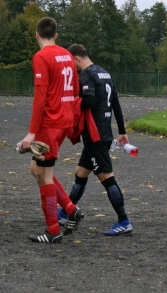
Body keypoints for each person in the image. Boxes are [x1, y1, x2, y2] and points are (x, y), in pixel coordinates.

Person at [19, 17, 84, 243]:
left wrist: (31, 133)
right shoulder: (67, 55)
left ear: (36, 34)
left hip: (50, 122)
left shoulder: (41, 57)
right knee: (37, 170)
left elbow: (41, 97)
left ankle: (53, 231)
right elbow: (76, 89)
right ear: (55, 35)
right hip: (64, 121)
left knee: (44, 175)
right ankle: (70, 209)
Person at [58, 43, 132, 236]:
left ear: (75, 58)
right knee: (81, 172)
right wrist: (122, 131)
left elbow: (89, 100)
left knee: (105, 176)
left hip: (95, 135)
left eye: (70, 62)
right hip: (103, 132)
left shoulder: (86, 75)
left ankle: (124, 220)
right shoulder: (104, 73)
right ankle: (67, 211)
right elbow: (115, 102)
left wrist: (71, 104)